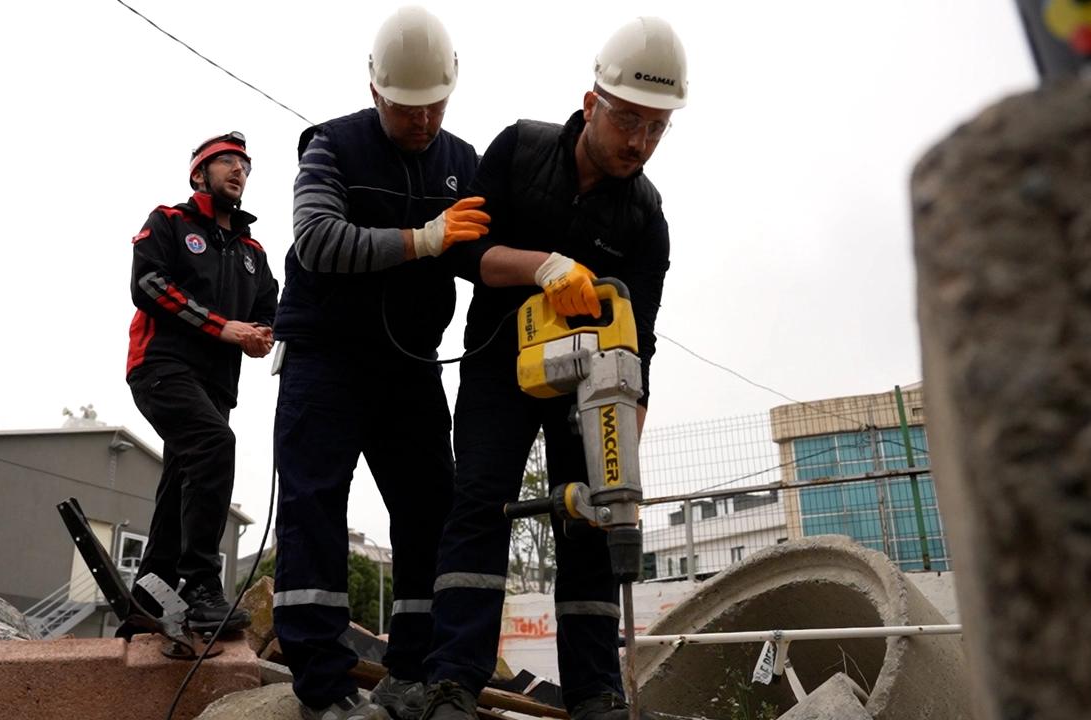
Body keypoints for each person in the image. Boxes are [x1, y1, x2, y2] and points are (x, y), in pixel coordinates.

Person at [418, 17, 688, 720]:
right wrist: (541, 266)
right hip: (499, 364)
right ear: (592, 103)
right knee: (479, 504)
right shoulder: (520, 150)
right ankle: (452, 680)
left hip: (590, 386)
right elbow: (463, 253)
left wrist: (626, 435)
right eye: (628, 120)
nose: (639, 142)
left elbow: (640, 340)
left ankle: (596, 692)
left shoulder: (646, 219)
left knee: (593, 519)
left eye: (656, 128)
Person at [269, 6, 488, 720]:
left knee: (431, 511)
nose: (422, 122)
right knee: (313, 506)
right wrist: (422, 241)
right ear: (375, 92)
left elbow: (486, 251)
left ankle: (413, 673)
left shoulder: (463, 163)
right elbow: (317, 240)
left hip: (409, 365)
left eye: (435, 107)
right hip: (325, 357)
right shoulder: (331, 146)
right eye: (406, 108)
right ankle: (323, 686)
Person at [125, 131, 278, 632]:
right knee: (214, 444)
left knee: (180, 482)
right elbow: (148, 284)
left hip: (217, 384)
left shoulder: (254, 251)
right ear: (199, 174)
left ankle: (147, 598)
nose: (239, 171)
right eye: (227, 161)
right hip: (161, 366)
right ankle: (202, 585)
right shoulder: (168, 221)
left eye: (245, 166)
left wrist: (263, 333)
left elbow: (270, 310)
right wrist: (223, 327)